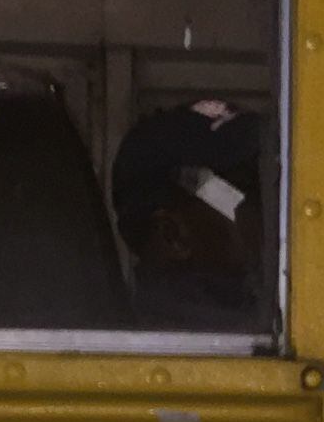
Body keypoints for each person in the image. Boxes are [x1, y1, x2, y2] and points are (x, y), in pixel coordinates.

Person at [110, 95, 268, 328]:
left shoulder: (265, 327)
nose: (271, 210)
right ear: (172, 235)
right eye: (252, 189)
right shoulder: (218, 348)